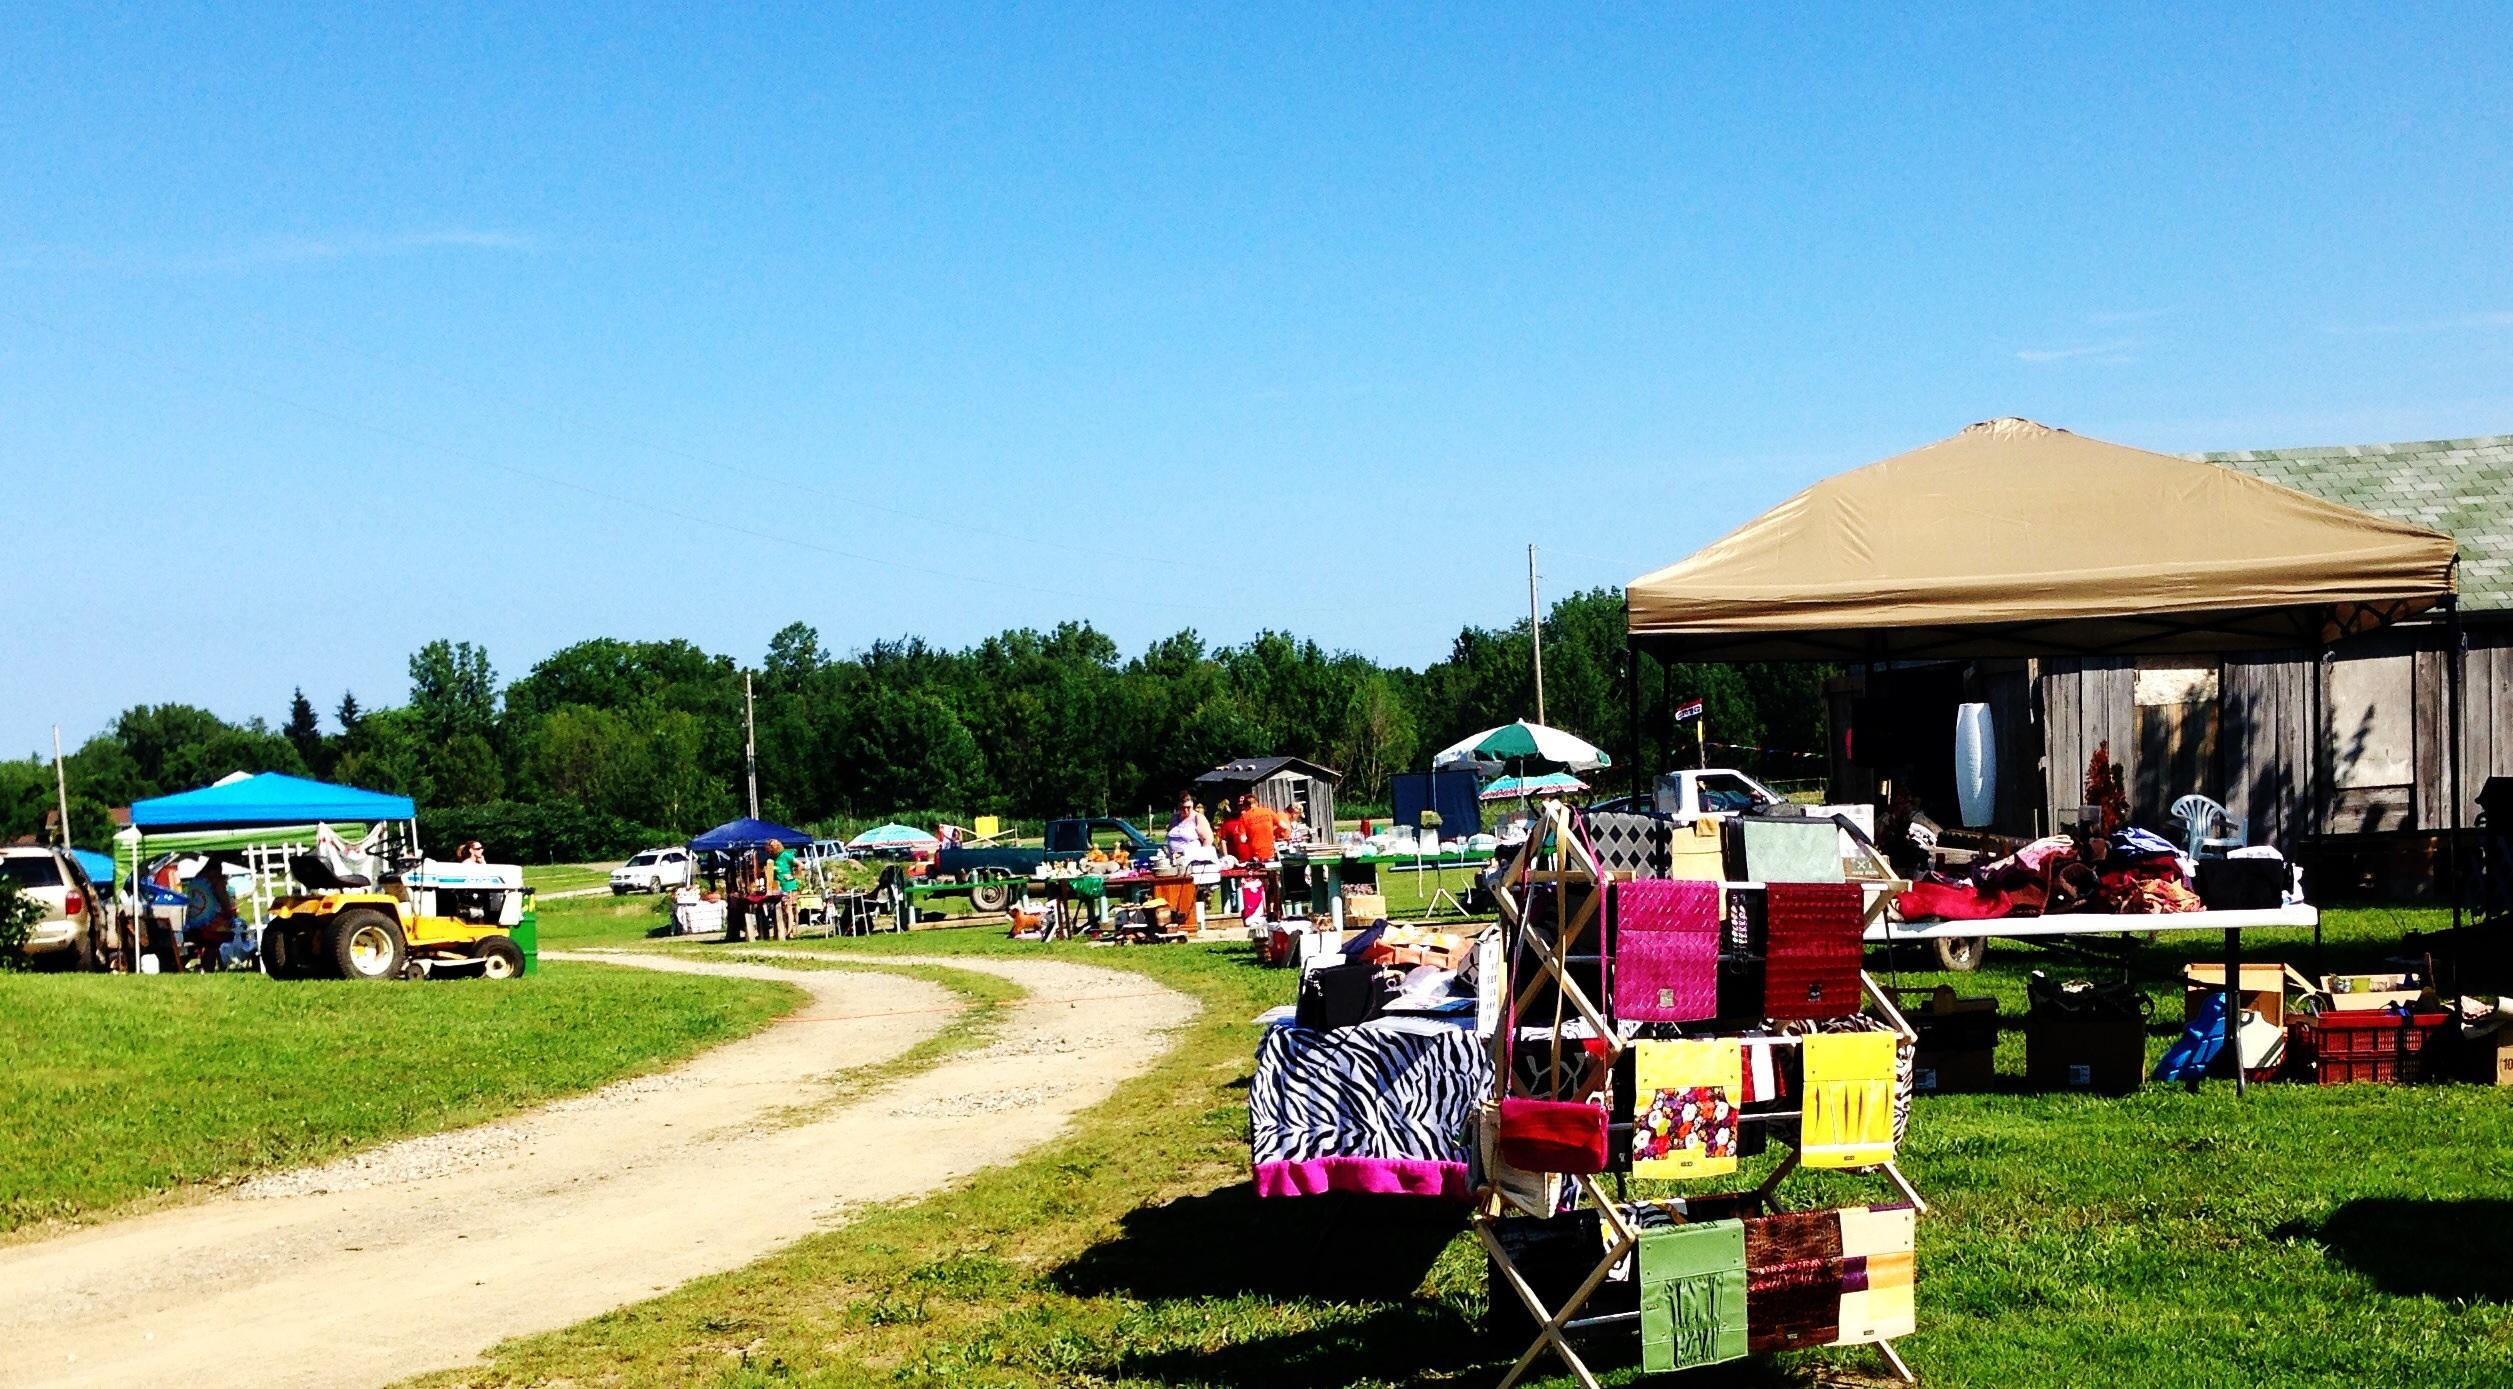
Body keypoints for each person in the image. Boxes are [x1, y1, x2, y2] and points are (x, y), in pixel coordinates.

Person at [1221, 792, 1279, 864]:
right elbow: (1223, 841)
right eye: (1240, 805)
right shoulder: (1228, 823)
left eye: (1244, 805)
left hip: (1256, 856)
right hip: (1239, 860)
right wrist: (1226, 857)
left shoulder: (1255, 816)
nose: (1242, 807)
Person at [1166, 791, 1215, 861]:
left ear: (1192, 804)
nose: (1186, 810)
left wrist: (1201, 858)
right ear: (1179, 806)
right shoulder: (1175, 817)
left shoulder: (1198, 818)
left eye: (1188, 807)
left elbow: (1208, 840)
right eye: (1183, 808)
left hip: (1192, 860)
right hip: (1172, 859)